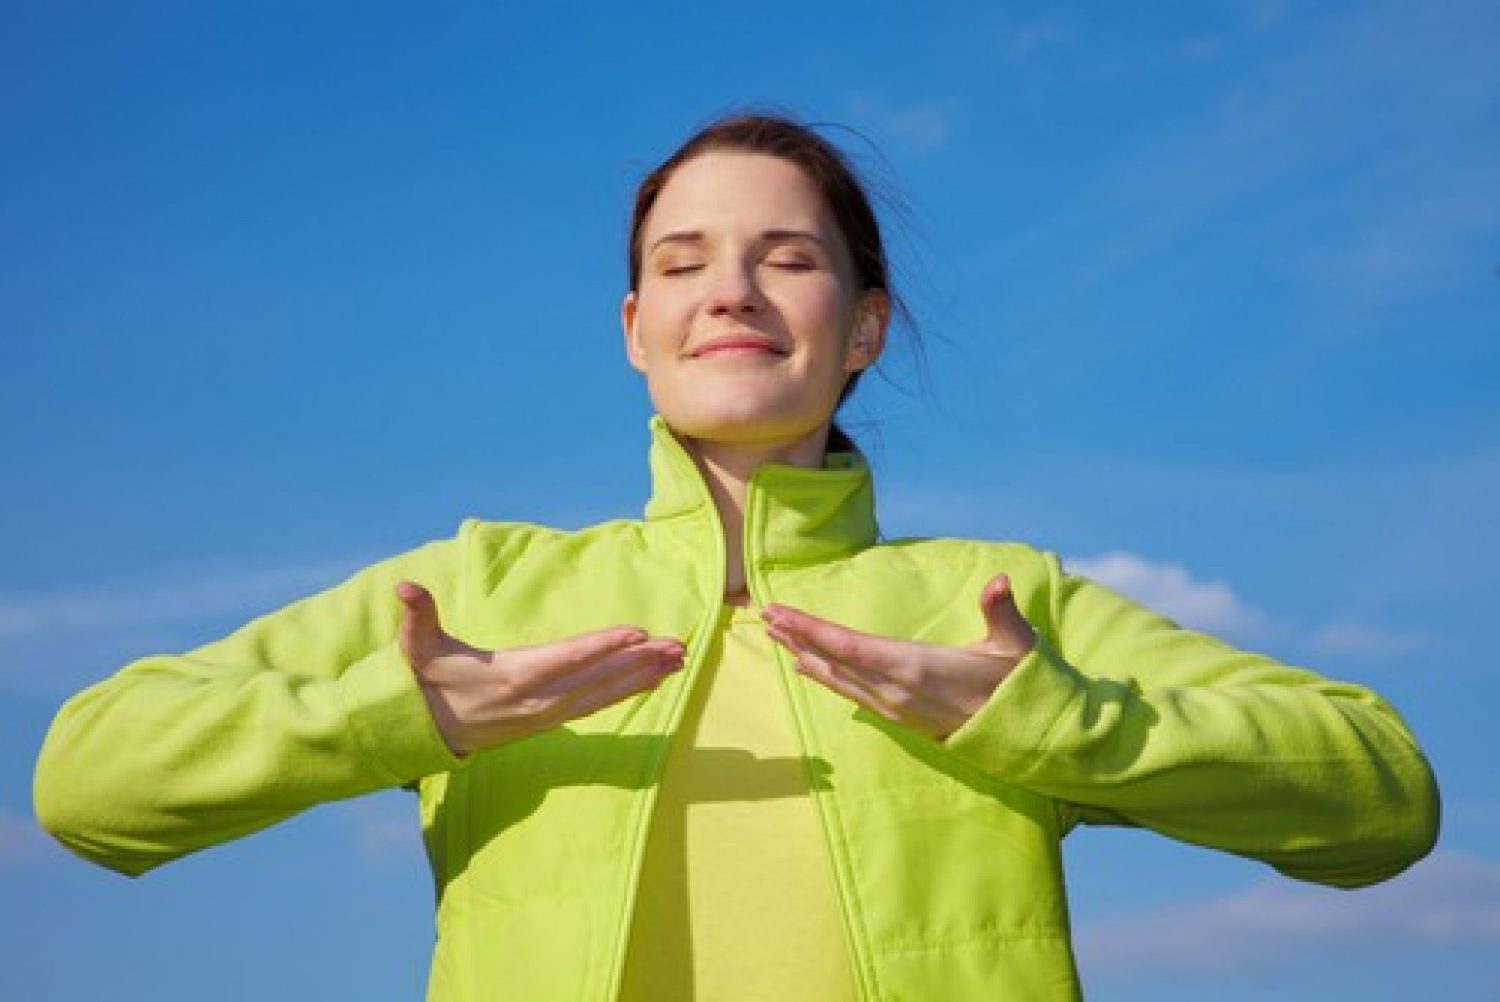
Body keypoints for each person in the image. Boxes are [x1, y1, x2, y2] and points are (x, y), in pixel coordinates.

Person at [34, 113, 1440, 1001]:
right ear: (635, 325)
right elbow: (91, 778)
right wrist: (413, 711)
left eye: (789, 255)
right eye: (687, 258)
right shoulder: (471, 591)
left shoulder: (998, 601)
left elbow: (1383, 797)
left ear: (867, 323)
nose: (733, 289)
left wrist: (1046, 719)